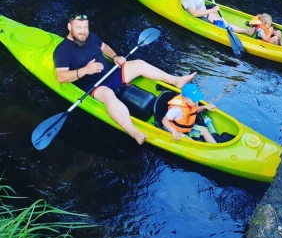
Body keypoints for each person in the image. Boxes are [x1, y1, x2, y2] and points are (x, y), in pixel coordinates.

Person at [53, 13, 197, 145]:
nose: (83, 31)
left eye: (85, 27)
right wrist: (85, 70)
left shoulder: (90, 36)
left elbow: (104, 47)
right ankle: (134, 132)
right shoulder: (62, 51)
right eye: (79, 27)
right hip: (94, 86)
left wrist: (115, 56)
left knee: (139, 64)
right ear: (69, 27)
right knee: (109, 96)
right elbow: (61, 77)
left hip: (111, 72)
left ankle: (176, 81)